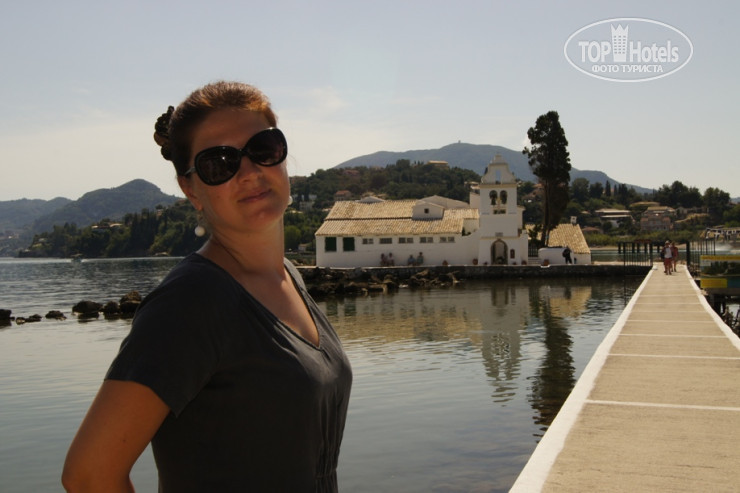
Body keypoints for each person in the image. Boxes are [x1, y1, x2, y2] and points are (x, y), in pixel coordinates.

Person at [62, 81, 352, 492]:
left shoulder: (287, 277)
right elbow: (89, 475)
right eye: (219, 164)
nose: (249, 172)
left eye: (263, 148)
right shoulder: (191, 301)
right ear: (191, 189)